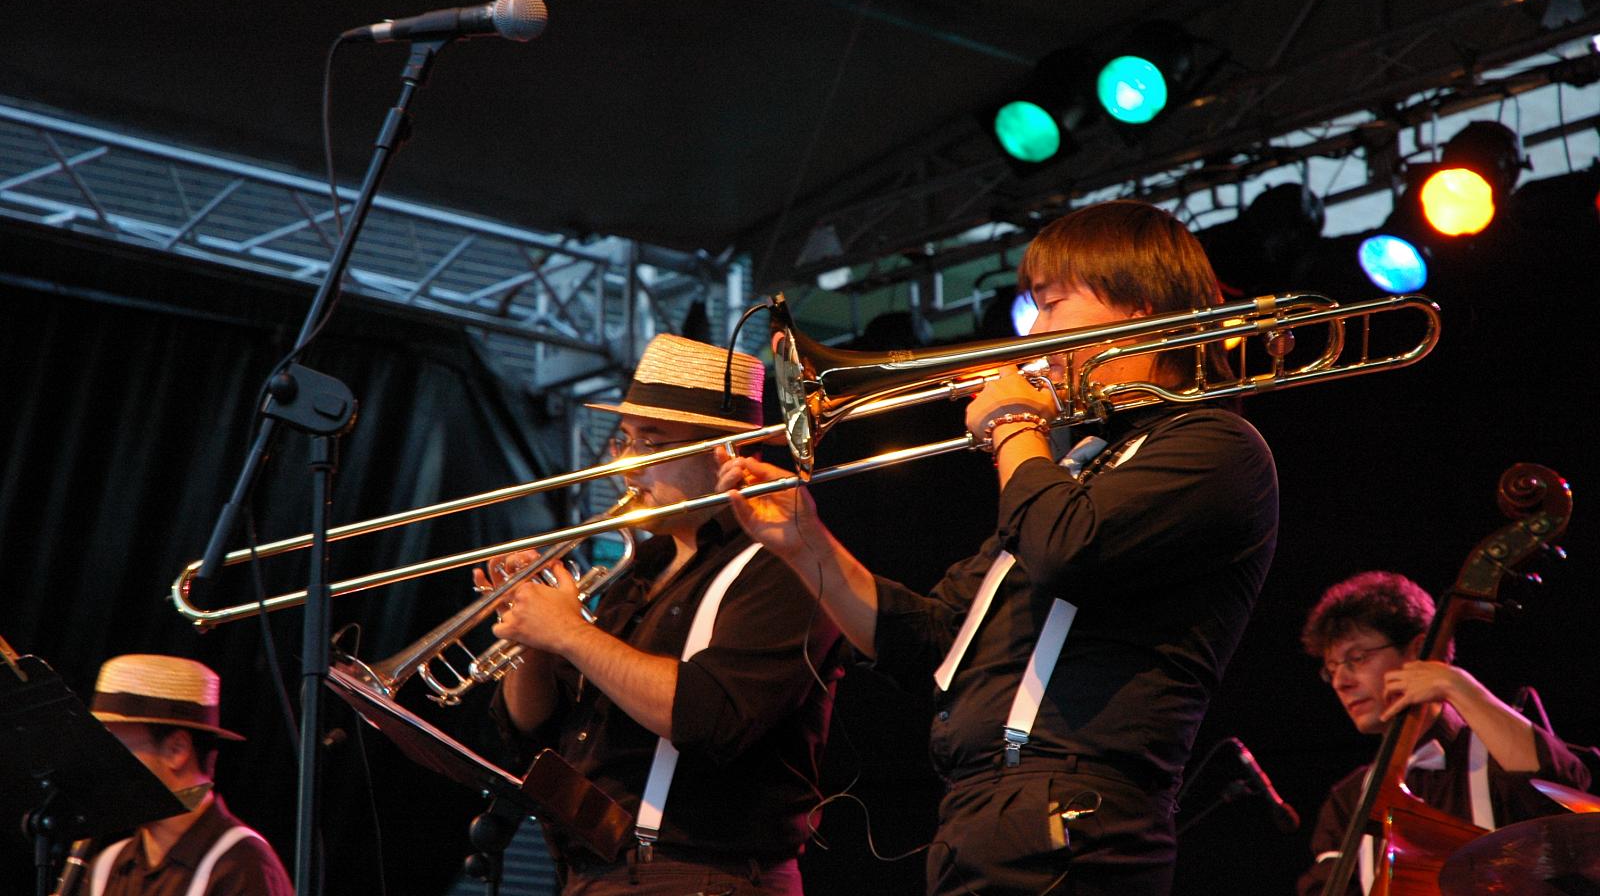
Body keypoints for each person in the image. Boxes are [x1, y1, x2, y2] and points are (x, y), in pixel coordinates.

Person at [722, 200, 1280, 895]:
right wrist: (807, 544)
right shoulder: (1081, 466)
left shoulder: (1214, 446)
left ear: (1139, 309)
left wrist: (1015, 426)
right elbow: (928, 640)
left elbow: (1064, 549)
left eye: (1051, 306)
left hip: (1073, 820)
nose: (1032, 336)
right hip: (985, 817)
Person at [488, 333, 842, 895]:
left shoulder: (783, 566)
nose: (627, 469)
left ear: (725, 451)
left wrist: (571, 633)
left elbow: (708, 717)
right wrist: (533, 638)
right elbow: (538, 729)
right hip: (593, 874)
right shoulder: (636, 575)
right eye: (623, 442)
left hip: (701, 877)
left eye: (651, 446)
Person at [1295, 570, 1593, 896]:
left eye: (1357, 658)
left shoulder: (1500, 755)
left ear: (1418, 650)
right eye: (1332, 669)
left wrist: (1456, 684)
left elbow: (1568, 796)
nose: (1341, 681)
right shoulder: (1348, 801)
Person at [82, 653, 292, 896]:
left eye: (114, 749)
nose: (101, 766)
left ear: (177, 750)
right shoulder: (109, 866)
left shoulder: (241, 865)